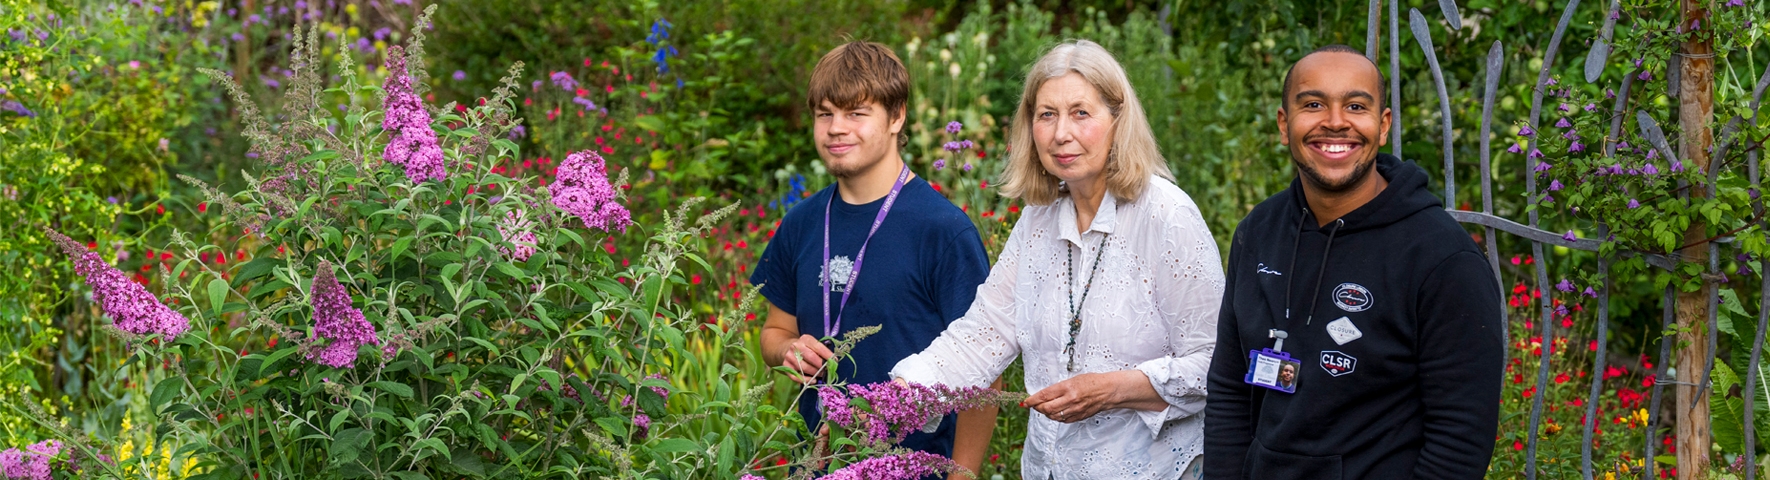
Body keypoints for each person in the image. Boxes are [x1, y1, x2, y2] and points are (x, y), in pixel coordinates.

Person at [891, 39, 1224, 480]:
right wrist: (894, 395)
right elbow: (982, 334)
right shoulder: (1038, 220)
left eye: (1080, 113)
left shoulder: (1167, 216)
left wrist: (1112, 389)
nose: (1060, 133)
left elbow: (1215, 364)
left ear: (1117, 119)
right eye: (1046, 115)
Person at [1202, 44, 1503, 479]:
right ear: (1285, 125)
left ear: (1382, 126)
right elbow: (1231, 390)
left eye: (1356, 105)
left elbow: (1460, 440)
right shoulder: (1259, 232)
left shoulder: (1442, 258)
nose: (1336, 121)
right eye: (1313, 104)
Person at [750, 41, 998, 479]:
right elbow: (775, 331)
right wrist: (788, 349)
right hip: (818, 466)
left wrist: (962, 475)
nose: (835, 128)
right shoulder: (801, 222)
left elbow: (987, 370)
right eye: (824, 113)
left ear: (897, 116)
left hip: (916, 468)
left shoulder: (943, 230)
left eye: (856, 113)